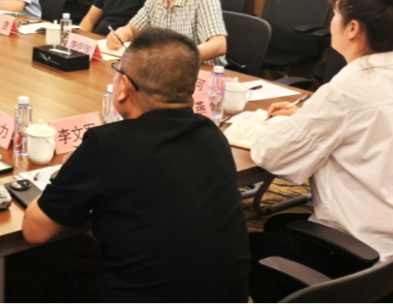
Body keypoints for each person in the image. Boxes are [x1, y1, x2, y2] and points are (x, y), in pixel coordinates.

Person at [22, 28, 250, 303]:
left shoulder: (107, 144)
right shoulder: (213, 134)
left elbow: (35, 232)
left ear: (124, 88)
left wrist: (64, 173)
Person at [249, 0, 393, 303]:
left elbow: (273, 156)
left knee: (236, 249)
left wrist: (273, 123)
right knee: (278, 226)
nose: (331, 22)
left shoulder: (349, 89)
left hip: (362, 253)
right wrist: (305, 116)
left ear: (352, 28)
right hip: (386, 245)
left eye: (335, 14)